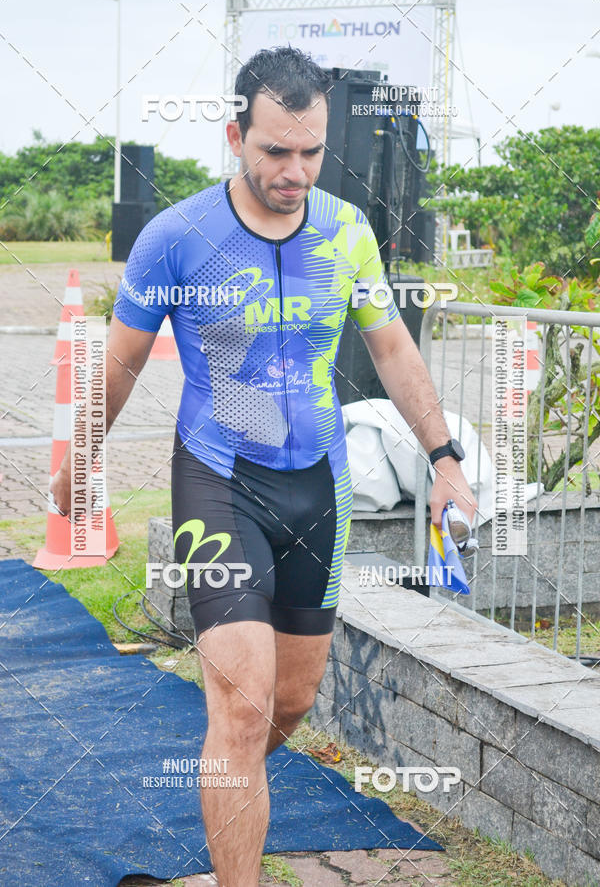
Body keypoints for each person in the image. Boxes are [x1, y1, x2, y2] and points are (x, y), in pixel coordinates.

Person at [52, 46, 477, 887]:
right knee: (244, 706)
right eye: (276, 150)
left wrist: (445, 458)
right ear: (234, 135)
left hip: (316, 485)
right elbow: (122, 364)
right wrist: (77, 461)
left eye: (311, 151)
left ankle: (228, 764)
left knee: (285, 704)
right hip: (220, 475)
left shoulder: (347, 232)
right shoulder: (178, 238)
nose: (295, 170)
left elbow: (392, 350)